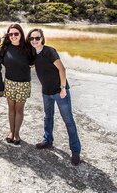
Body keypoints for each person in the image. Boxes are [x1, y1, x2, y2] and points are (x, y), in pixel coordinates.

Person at [26, 28, 82, 166]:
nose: (34, 41)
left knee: (68, 121)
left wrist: (63, 88)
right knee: (48, 117)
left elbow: (62, 69)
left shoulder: (49, 51)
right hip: (46, 92)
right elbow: (28, 63)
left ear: (42, 38)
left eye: (37, 38)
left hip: (59, 91)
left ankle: (75, 151)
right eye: (32, 38)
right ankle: (48, 140)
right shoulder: (34, 53)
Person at [0, 24, 33, 145]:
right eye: (11, 34)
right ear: (8, 35)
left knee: (19, 110)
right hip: (9, 82)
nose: (13, 36)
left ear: (21, 34)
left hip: (23, 83)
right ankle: (11, 131)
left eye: (16, 34)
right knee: (11, 109)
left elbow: (35, 60)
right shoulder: (4, 48)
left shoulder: (28, 48)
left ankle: (17, 133)